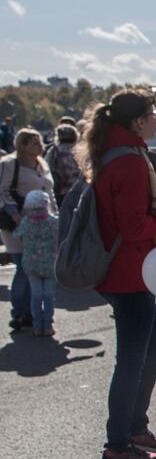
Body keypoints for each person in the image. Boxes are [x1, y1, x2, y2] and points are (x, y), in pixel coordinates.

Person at [86, 90, 156, 459]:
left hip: (126, 269)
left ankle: (133, 427)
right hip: (129, 272)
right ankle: (118, 444)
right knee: (132, 359)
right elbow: (132, 228)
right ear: (138, 121)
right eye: (152, 113)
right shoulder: (129, 160)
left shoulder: (117, 152)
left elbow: (125, 214)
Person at [1, 128, 56, 331]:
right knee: (23, 268)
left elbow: (49, 194)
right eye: (35, 143)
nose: (41, 146)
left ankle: (30, 313)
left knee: (32, 268)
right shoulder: (9, 164)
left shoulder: (42, 165)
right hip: (18, 223)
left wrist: (55, 217)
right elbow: (3, 191)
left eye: (40, 142)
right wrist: (15, 214)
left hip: (43, 224)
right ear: (22, 145)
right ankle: (20, 313)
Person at [15, 190, 60, 336]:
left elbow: (17, 235)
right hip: (50, 263)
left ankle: (36, 326)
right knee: (48, 295)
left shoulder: (26, 222)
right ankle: (47, 325)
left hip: (31, 264)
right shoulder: (53, 222)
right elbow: (61, 236)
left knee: (36, 295)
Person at [45, 123, 82, 200]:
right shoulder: (80, 150)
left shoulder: (54, 150)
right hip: (80, 190)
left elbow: (46, 167)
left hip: (61, 191)